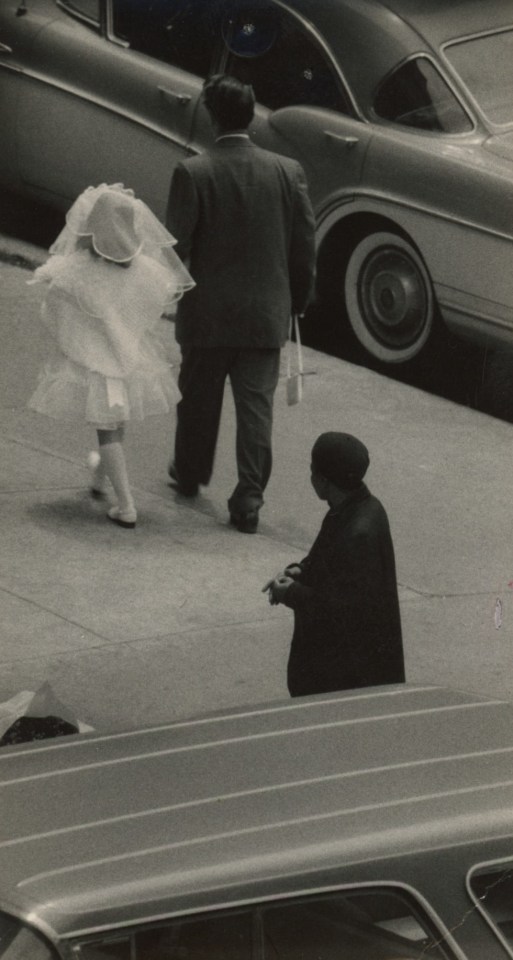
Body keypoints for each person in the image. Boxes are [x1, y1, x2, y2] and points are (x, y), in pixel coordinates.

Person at [165, 73, 316, 533]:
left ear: (211, 115)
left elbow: (177, 248)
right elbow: (304, 244)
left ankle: (190, 474)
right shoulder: (288, 172)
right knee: (256, 413)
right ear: (251, 116)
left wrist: (170, 296)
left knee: (197, 402)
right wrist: (296, 301)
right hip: (265, 314)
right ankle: (248, 501)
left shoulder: (193, 171)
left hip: (207, 315)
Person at [27, 183, 194, 528]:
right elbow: (152, 307)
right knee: (114, 425)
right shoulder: (145, 271)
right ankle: (99, 479)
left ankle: (127, 506)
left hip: (97, 361)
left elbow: (54, 307)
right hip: (129, 359)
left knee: (108, 431)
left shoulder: (78, 270)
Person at [263, 432, 405, 696]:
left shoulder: (357, 532)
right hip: (358, 666)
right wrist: (301, 570)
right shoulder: (361, 507)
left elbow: (339, 609)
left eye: (312, 470)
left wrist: (290, 592)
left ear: (323, 480)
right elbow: (331, 564)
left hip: (345, 676)